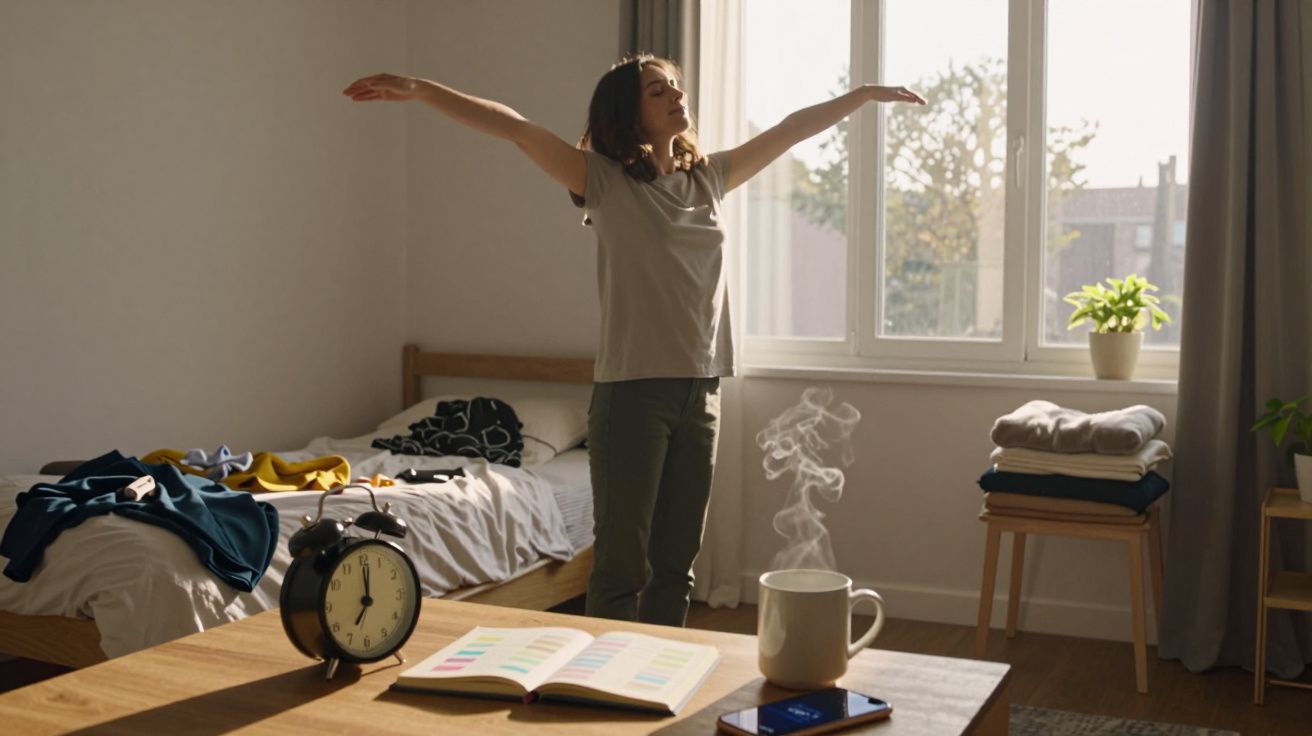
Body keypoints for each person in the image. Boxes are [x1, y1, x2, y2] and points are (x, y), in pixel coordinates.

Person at [343, 54, 925, 626]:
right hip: (631, 397)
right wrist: (421, 89)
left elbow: (790, 130)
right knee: (622, 566)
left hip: (702, 394)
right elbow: (515, 128)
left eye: (676, 85)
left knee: (678, 566)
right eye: (657, 90)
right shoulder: (604, 181)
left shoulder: (710, 179)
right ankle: (605, 689)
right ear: (628, 111)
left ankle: (666, 678)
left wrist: (862, 95)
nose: (677, 95)